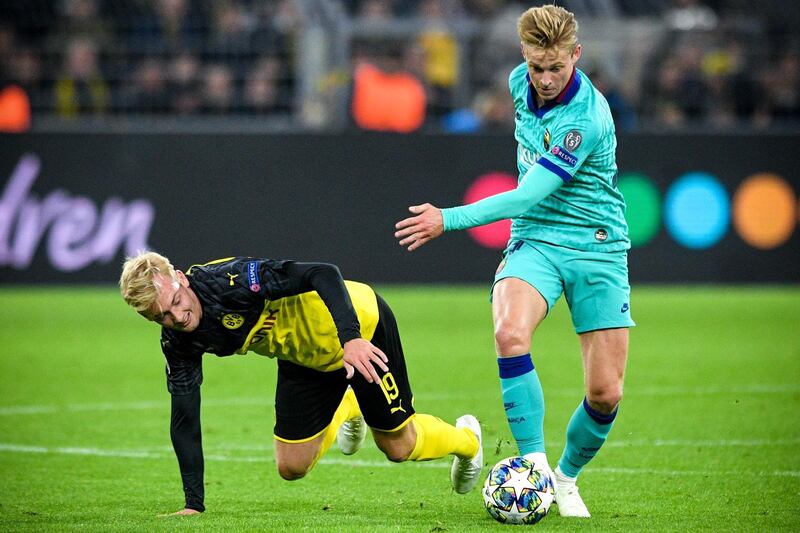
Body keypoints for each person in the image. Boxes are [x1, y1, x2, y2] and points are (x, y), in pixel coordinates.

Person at [394, 4, 634, 518]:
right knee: (509, 333)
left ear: (577, 55)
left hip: (597, 245)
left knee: (606, 392)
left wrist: (448, 218)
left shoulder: (586, 119)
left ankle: (565, 477)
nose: (545, 80)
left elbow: (525, 195)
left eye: (557, 68)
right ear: (523, 56)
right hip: (537, 241)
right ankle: (535, 469)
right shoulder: (516, 83)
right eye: (536, 67)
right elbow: (530, 211)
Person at [119, 251, 483, 515]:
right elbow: (184, 417)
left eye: (177, 302)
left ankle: (468, 442)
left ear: (181, 278)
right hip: (303, 359)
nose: (177, 317)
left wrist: (351, 337)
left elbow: (323, 272)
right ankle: (349, 406)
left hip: (359, 329)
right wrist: (193, 504)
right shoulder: (178, 340)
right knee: (291, 467)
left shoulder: (232, 282)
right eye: (161, 317)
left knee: (398, 447)